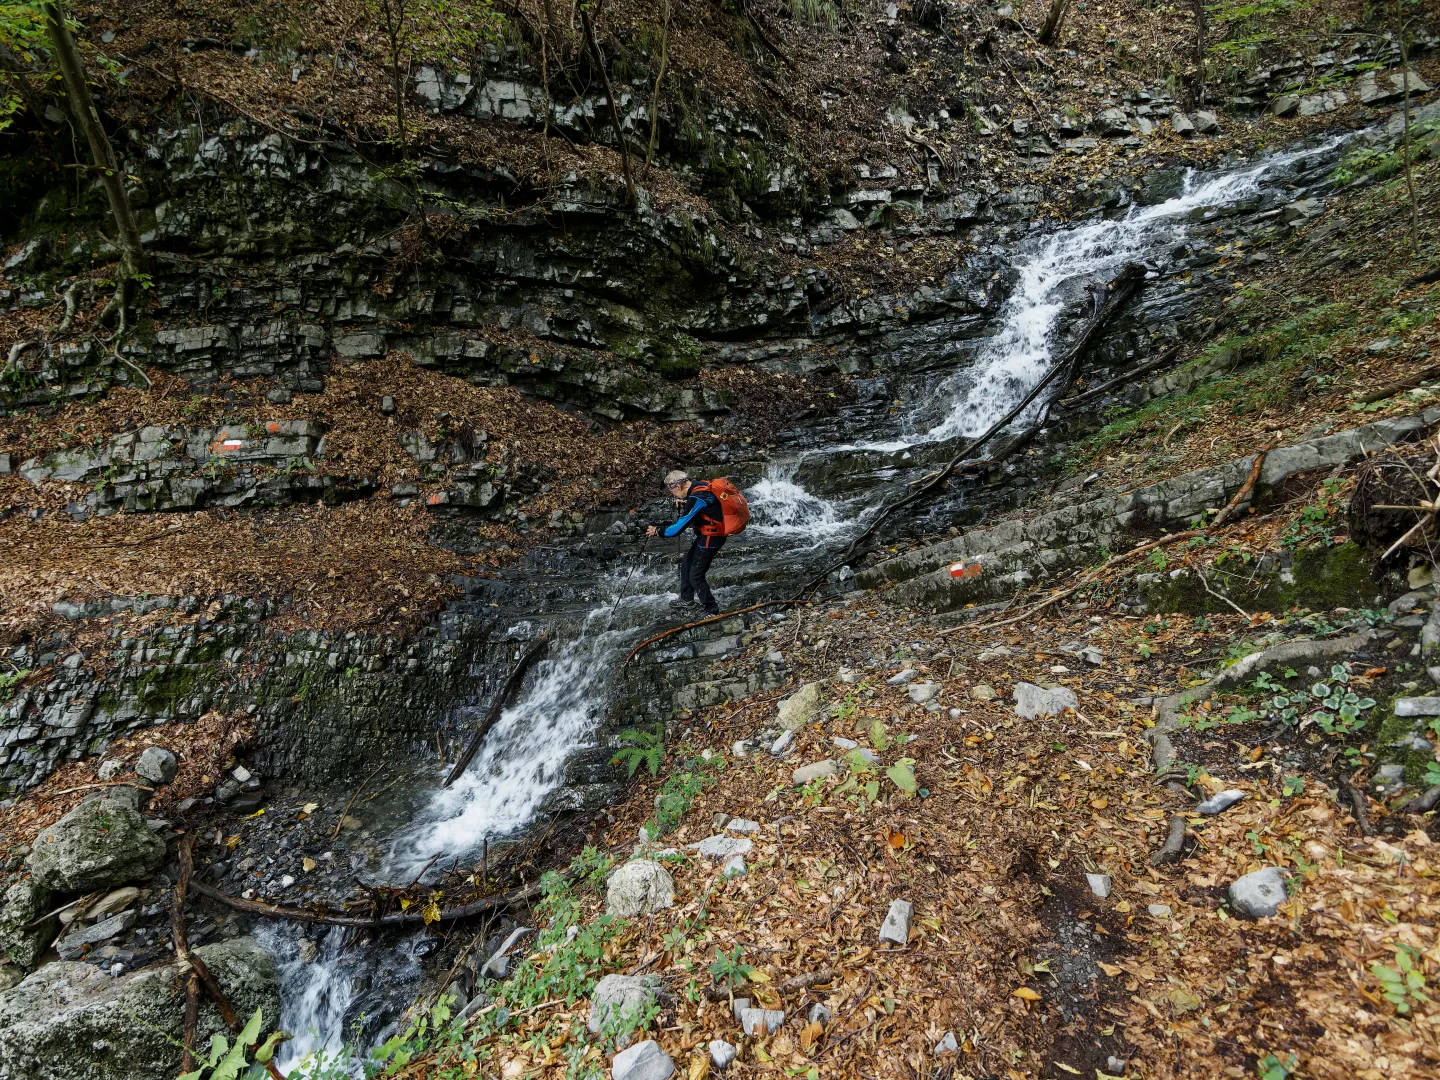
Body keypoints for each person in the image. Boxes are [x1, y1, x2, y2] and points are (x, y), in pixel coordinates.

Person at [647, 470, 725, 616]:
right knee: (687, 564)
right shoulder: (698, 486)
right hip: (707, 535)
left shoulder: (696, 497)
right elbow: (704, 506)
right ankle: (687, 599)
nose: (674, 495)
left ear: (679, 486)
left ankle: (712, 610)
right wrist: (686, 503)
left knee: (696, 575)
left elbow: (677, 529)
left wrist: (658, 530)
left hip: (711, 538)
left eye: (673, 492)